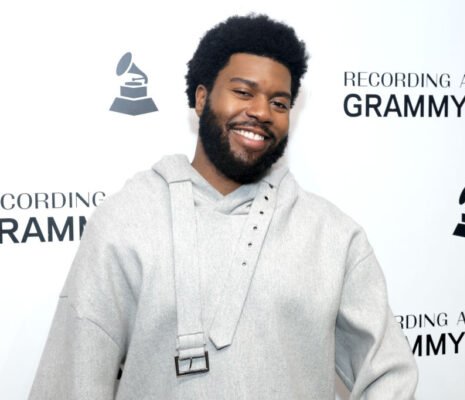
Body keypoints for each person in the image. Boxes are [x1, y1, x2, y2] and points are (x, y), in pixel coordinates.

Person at [29, 14, 417, 400]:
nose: (262, 112)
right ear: (201, 98)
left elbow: (390, 374)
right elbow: (73, 378)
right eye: (244, 92)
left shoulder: (333, 236)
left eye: (279, 102)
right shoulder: (125, 222)